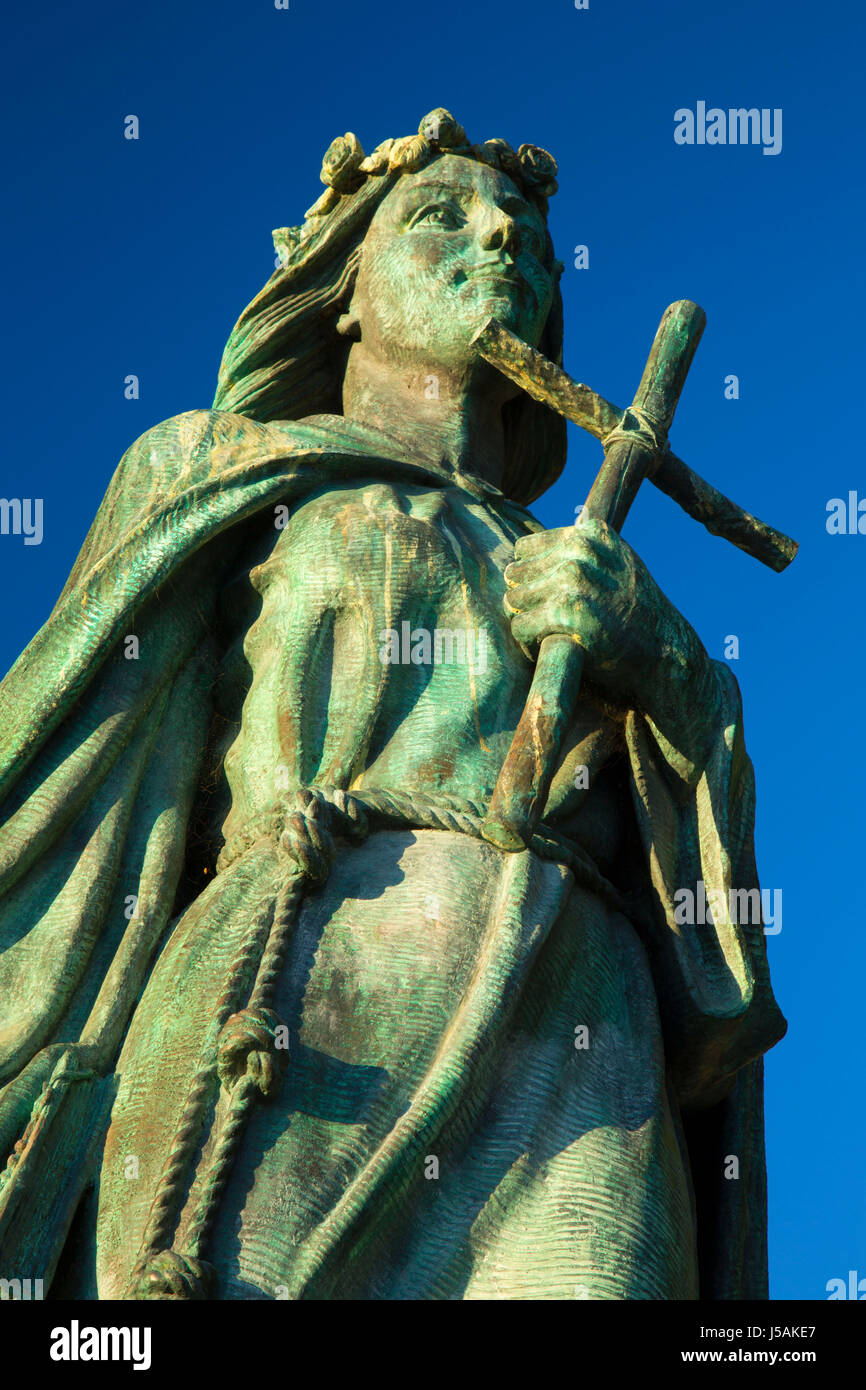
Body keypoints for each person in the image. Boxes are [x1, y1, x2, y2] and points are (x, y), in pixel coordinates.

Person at [0, 109, 785, 1301]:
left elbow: (706, 914)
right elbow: (70, 783)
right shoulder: (214, 470)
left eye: (524, 235)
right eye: (442, 219)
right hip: (289, 989)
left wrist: (664, 662)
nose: (500, 246)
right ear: (344, 293)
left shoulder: (590, 570)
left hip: (578, 1037)